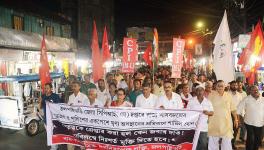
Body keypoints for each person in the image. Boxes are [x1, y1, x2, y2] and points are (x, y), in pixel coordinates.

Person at [208, 80, 238, 150]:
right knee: (213, 144)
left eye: (222, 86)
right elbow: (207, 108)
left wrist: (236, 119)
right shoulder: (211, 95)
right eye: (218, 86)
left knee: (227, 144)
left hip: (226, 124)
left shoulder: (228, 95)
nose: (220, 87)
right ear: (215, 86)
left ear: (225, 87)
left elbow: (233, 109)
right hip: (214, 123)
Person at [237, 85, 264, 150]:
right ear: (250, 91)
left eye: (257, 89)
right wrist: (239, 119)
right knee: (251, 138)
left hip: (260, 123)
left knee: (257, 139)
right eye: (253, 90)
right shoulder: (246, 99)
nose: (256, 91)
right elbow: (239, 109)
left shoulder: (263, 99)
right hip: (249, 122)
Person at [187, 85, 214, 150]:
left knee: (203, 144)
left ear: (203, 91)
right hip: (193, 127)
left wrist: (208, 113)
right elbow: (187, 112)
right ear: (196, 91)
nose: (199, 92)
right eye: (198, 90)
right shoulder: (191, 101)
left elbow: (212, 112)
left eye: (201, 90)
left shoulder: (208, 101)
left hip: (204, 127)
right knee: (193, 144)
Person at [67, 81, 89, 150]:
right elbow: (67, 108)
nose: (73, 88)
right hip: (72, 122)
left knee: (82, 142)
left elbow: (86, 109)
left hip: (81, 122)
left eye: (75, 86)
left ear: (79, 87)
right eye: (72, 86)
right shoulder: (70, 97)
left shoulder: (84, 96)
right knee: (71, 141)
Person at [229, 81, 243, 149]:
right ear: (230, 85)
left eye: (236, 85)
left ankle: (232, 143)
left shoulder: (239, 95)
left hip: (236, 114)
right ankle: (228, 144)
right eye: (233, 85)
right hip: (228, 114)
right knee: (229, 130)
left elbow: (241, 106)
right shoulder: (226, 94)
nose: (235, 86)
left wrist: (239, 117)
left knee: (236, 130)